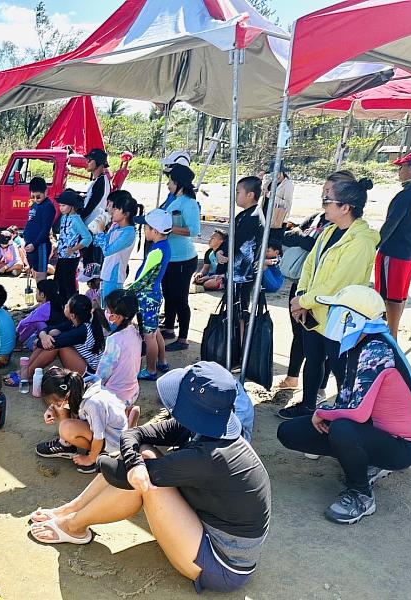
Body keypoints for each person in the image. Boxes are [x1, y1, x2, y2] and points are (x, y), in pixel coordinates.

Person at [29, 361, 271, 596]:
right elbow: (135, 433)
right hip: (209, 529)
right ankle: (70, 510)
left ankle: (73, 526)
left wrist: (122, 462)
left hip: (223, 565)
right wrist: (133, 461)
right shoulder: (209, 426)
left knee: (142, 481)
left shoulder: (209, 457)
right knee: (140, 461)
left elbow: (116, 469)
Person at [277, 286, 411, 524]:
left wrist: (322, 413)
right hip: (374, 430)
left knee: (342, 428)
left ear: (352, 318)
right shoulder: (358, 343)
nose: (332, 314)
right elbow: (347, 398)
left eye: (337, 310)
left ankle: (361, 494)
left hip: (401, 446)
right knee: (290, 432)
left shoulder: (376, 349)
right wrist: (326, 416)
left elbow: (357, 411)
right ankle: (366, 459)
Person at [281, 177, 379, 419]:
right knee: (313, 360)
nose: (323, 205)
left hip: (340, 318)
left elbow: (337, 283)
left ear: (345, 207)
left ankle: (349, 413)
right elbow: (309, 265)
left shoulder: (361, 242)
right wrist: (301, 296)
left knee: (340, 368)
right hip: (314, 312)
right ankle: (308, 406)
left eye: (327, 200)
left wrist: (304, 302)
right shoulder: (330, 231)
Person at [277, 172, 347, 391]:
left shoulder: (348, 231)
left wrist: (302, 237)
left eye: (329, 192)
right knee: (300, 334)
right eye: (323, 191)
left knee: (322, 344)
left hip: (323, 295)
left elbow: (310, 244)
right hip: (301, 285)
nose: (323, 197)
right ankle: (292, 377)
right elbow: (290, 236)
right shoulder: (318, 217)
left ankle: (319, 389)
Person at [35, 367, 128, 474]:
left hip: (113, 440)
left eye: (56, 402)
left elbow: (99, 436)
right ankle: (66, 445)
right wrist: (52, 408)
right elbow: (64, 402)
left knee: (66, 428)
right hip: (105, 427)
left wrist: (90, 458)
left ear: (67, 395)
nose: (55, 405)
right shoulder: (77, 384)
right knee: (62, 407)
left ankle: (98, 456)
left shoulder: (93, 403)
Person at [375, 151, 411, 338]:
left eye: (402, 167)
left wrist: (373, 246)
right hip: (410, 254)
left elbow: (390, 226)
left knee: (388, 299)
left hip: (393, 254)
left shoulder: (405, 196)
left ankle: (390, 337)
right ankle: (391, 334)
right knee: (398, 296)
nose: (399, 170)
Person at [159, 164, 200, 351]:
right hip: (170, 256)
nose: (168, 184)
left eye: (171, 181)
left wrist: (169, 228)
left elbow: (194, 231)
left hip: (183, 258)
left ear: (179, 184)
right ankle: (169, 327)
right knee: (168, 293)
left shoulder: (189, 203)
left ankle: (183, 339)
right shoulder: (175, 200)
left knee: (180, 298)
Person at [128, 209, 172, 381]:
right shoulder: (163, 246)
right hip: (154, 294)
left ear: (155, 230)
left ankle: (151, 370)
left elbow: (142, 278)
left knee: (149, 336)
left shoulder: (156, 251)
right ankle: (162, 361)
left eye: (146, 227)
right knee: (155, 331)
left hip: (147, 297)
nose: (144, 230)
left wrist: (127, 291)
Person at [222, 176, 265, 331]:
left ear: (250, 195)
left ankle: (240, 347)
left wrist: (223, 253)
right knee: (234, 309)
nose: (235, 195)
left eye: (238, 192)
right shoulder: (245, 214)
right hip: (237, 271)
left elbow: (236, 240)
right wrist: (221, 252)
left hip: (242, 274)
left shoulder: (253, 217)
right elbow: (231, 238)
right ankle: (234, 342)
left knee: (240, 310)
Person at [25, 294, 105, 376]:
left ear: (72, 315)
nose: (65, 306)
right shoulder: (76, 322)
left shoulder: (82, 330)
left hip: (92, 373)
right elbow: (48, 329)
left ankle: (27, 374)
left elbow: (54, 343)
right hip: (84, 364)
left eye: (67, 306)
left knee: (56, 346)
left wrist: (37, 342)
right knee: (52, 334)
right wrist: (43, 336)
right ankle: (25, 370)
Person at [97, 289, 142, 407]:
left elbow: (103, 374)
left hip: (116, 398)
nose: (105, 312)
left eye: (107, 310)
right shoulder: (135, 332)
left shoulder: (114, 339)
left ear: (115, 317)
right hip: (133, 392)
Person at [93, 194, 138, 305]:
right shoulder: (116, 227)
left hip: (114, 277)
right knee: (105, 309)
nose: (112, 211)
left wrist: (100, 231)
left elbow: (107, 251)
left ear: (126, 214)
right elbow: (98, 243)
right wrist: (98, 228)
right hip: (106, 273)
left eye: (117, 209)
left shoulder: (129, 233)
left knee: (112, 310)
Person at [54, 190, 92, 300]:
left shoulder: (76, 220)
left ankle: (70, 306)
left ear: (72, 206)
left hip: (71, 257)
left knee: (68, 283)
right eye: (60, 205)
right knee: (60, 281)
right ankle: (64, 305)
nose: (61, 208)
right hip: (63, 255)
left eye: (63, 205)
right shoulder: (64, 217)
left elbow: (87, 238)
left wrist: (74, 249)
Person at [80, 148, 111, 266]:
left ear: (98, 162)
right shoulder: (99, 180)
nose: (87, 162)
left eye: (89, 160)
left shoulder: (101, 182)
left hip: (93, 227)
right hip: (93, 226)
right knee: (90, 263)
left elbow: (91, 206)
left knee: (92, 264)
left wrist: (79, 219)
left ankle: (94, 284)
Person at [16, 279, 64, 351]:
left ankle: (18, 344)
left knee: (36, 323)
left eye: (37, 291)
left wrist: (17, 332)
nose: (36, 294)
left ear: (42, 294)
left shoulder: (45, 308)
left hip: (48, 340)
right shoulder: (57, 302)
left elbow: (24, 322)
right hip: (59, 336)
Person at [23, 176, 56, 281]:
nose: (36, 199)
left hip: (40, 245)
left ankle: (43, 296)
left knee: (41, 277)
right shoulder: (34, 205)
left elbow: (45, 229)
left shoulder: (48, 206)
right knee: (34, 275)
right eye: (33, 196)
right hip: (31, 245)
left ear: (46, 192)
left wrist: (34, 244)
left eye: (38, 197)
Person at [262, 161, 294, 250]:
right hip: (265, 217)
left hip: (278, 220)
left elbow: (287, 205)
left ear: (281, 172)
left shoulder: (288, 185)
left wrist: (270, 195)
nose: (273, 174)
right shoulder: (269, 182)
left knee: (273, 246)